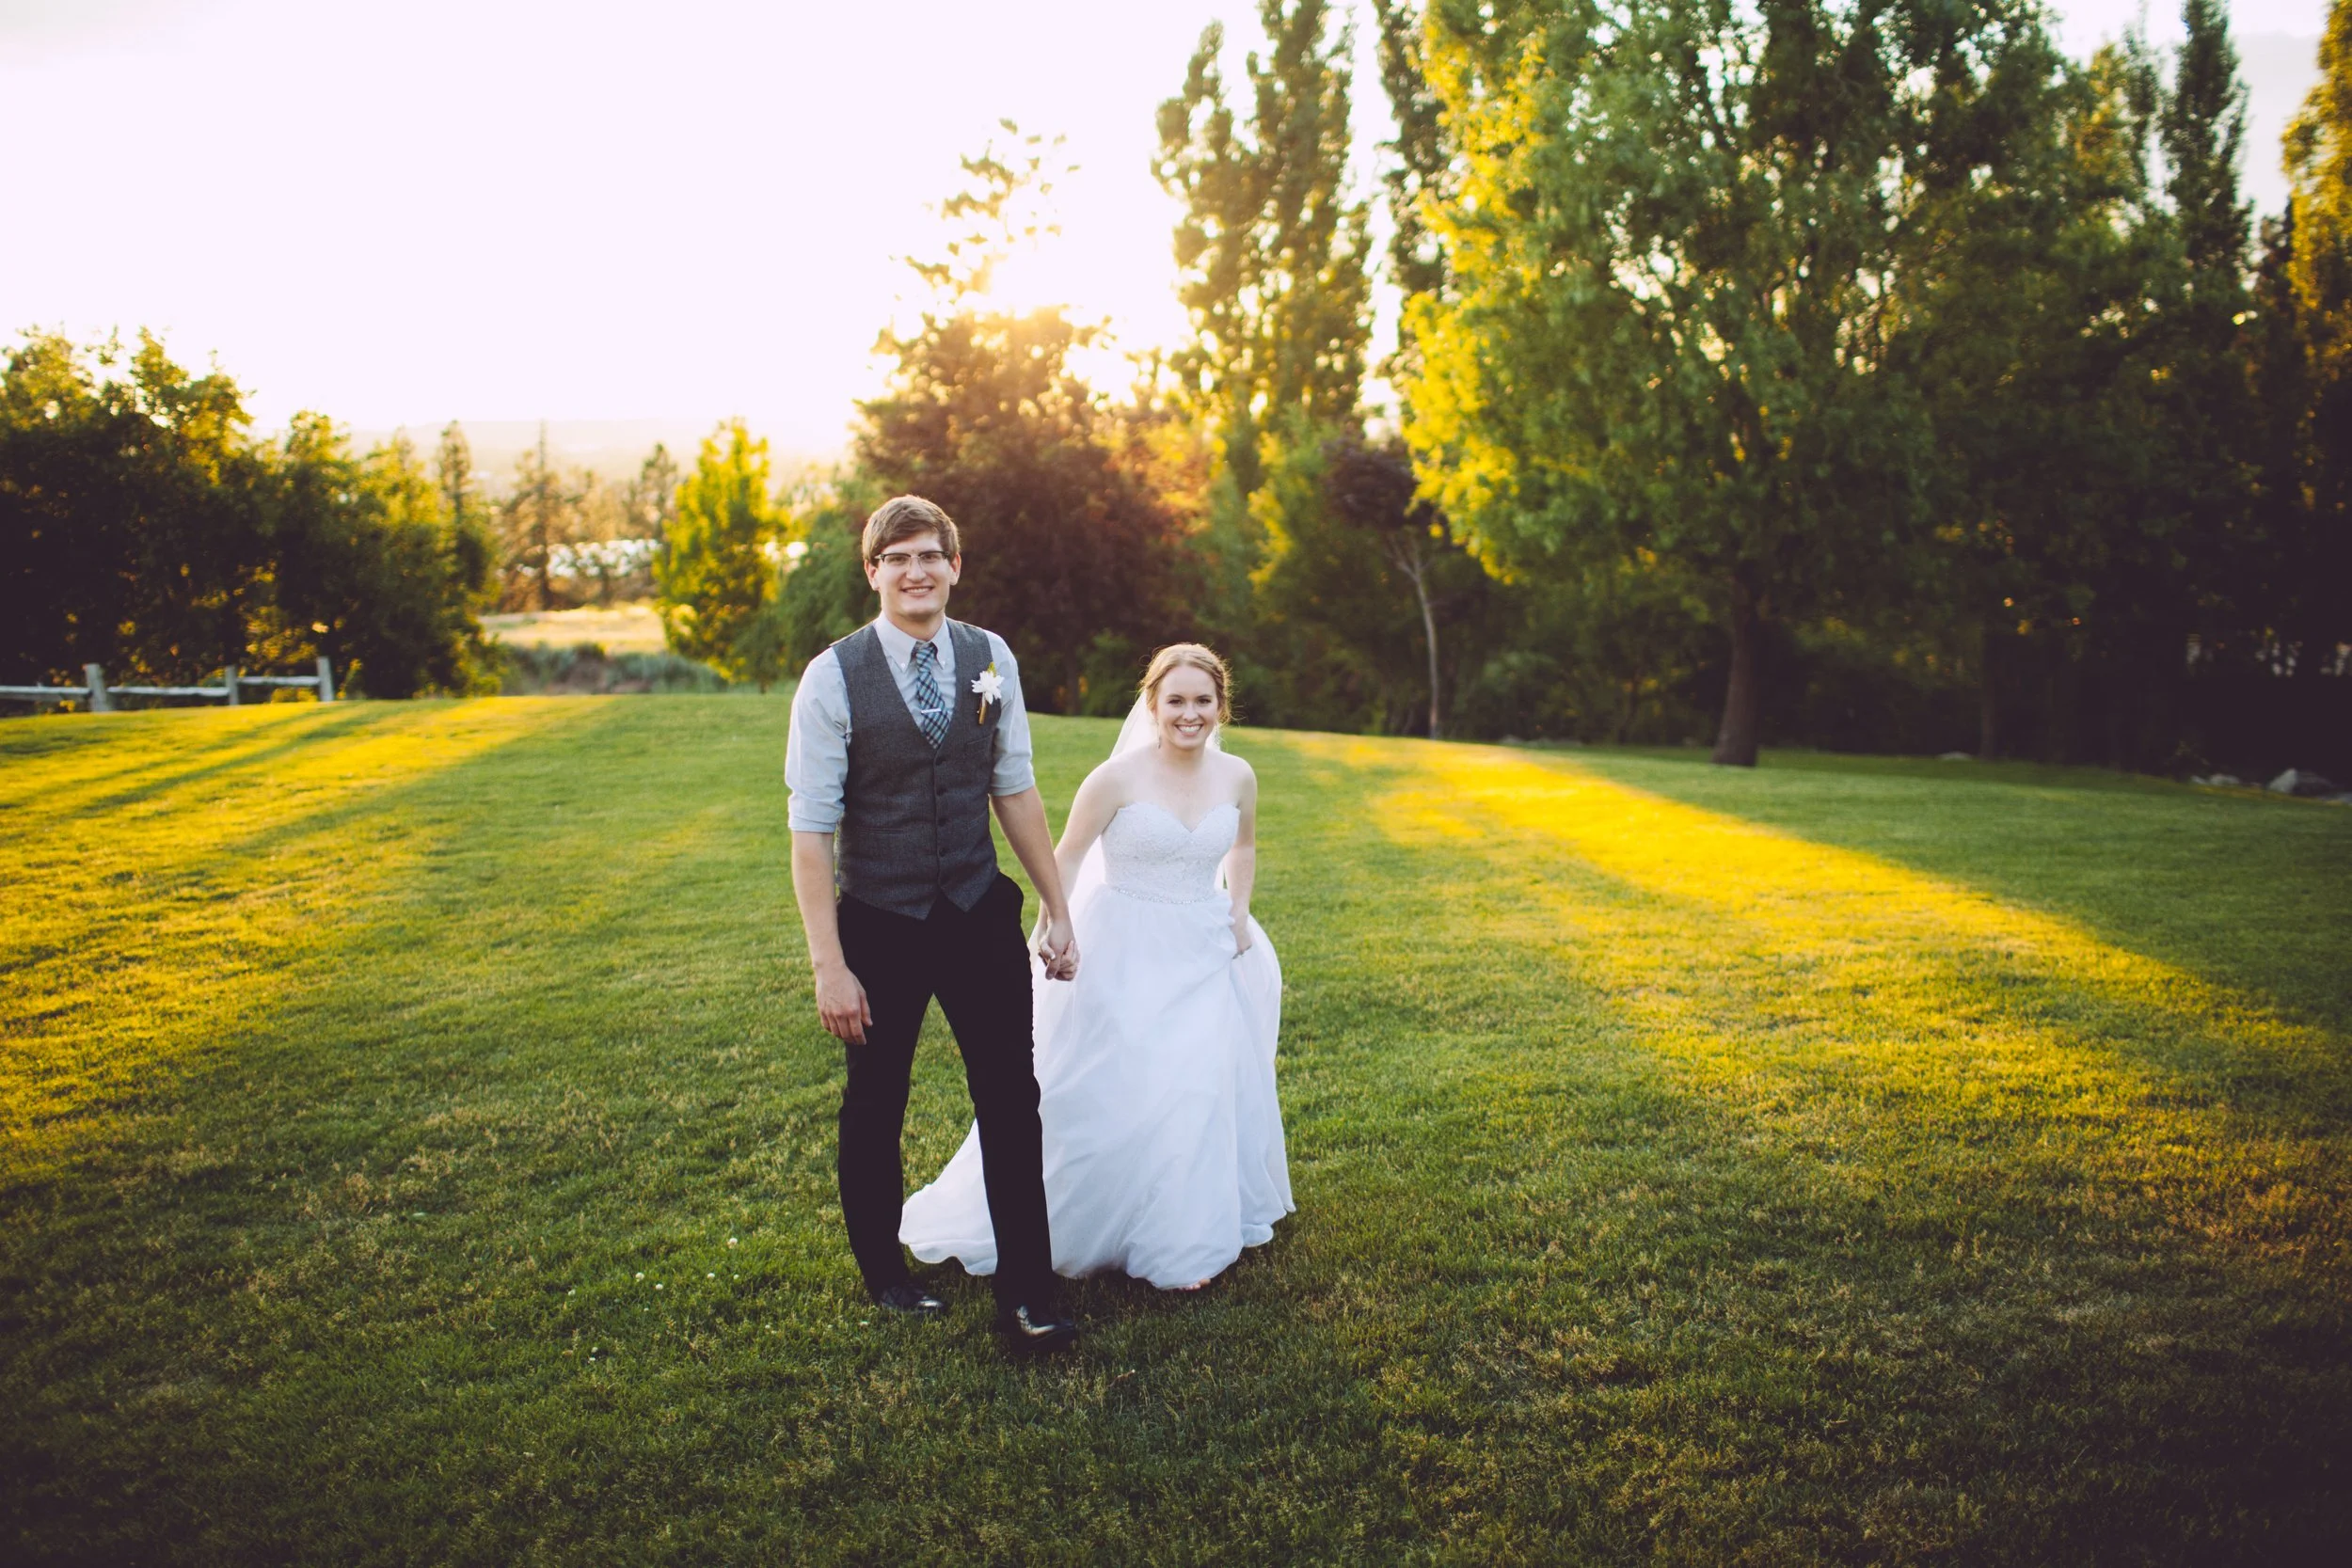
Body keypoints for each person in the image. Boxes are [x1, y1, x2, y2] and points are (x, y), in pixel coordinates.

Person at [900, 643, 1294, 1291]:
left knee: (1196, 1084)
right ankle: (1065, 1216)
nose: (1189, 714)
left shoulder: (1239, 776)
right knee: (1115, 1084)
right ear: (1153, 704)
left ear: (1220, 705)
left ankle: (1183, 1238)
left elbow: (1244, 844)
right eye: (1176, 701)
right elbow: (1070, 855)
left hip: (1204, 941)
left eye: (1202, 701)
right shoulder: (1114, 779)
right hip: (1126, 941)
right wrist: (1057, 920)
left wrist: (1240, 909)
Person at [784, 494, 1079, 1354]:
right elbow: (812, 830)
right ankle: (886, 1274)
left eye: (930, 555)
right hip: (879, 918)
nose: (916, 571)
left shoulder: (991, 658)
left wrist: (1059, 907)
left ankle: (1030, 1291)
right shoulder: (833, 676)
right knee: (877, 1101)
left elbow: (1014, 787)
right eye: (897, 557)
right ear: (872, 572)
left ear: (955, 566)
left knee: (1011, 1097)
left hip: (976, 910)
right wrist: (828, 964)